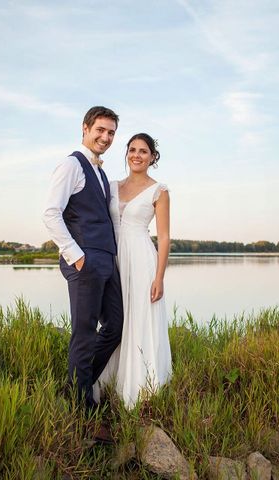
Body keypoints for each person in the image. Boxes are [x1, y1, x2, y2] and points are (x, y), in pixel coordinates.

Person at [42, 106, 124, 432]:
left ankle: (82, 383)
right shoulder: (71, 165)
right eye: (100, 130)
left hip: (107, 260)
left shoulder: (101, 174)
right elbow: (50, 213)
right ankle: (83, 411)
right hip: (85, 261)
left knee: (116, 325)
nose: (105, 137)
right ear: (85, 129)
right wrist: (76, 256)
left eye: (111, 133)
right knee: (84, 334)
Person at [96, 132, 172, 408]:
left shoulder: (159, 191)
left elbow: (164, 237)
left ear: (152, 157)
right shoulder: (112, 186)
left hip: (141, 260)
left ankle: (138, 389)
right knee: (115, 322)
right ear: (126, 153)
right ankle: (103, 382)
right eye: (132, 150)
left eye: (143, 151)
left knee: (138, 319)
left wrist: (159, 277)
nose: (136, 155)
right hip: (113, 259)